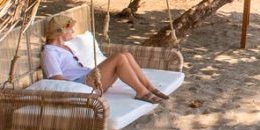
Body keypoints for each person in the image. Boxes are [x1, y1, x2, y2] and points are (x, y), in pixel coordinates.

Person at [40, 16, 168, 102]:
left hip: (89, 79)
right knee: (119, 57)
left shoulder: (65, 47)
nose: (73, 31)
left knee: (126, 55)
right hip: (82, 84)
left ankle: (149, 87)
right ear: (60, 32)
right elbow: (57, 80)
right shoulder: (49, 52)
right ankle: (141, 92)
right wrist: (79, 92)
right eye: (69, 28)